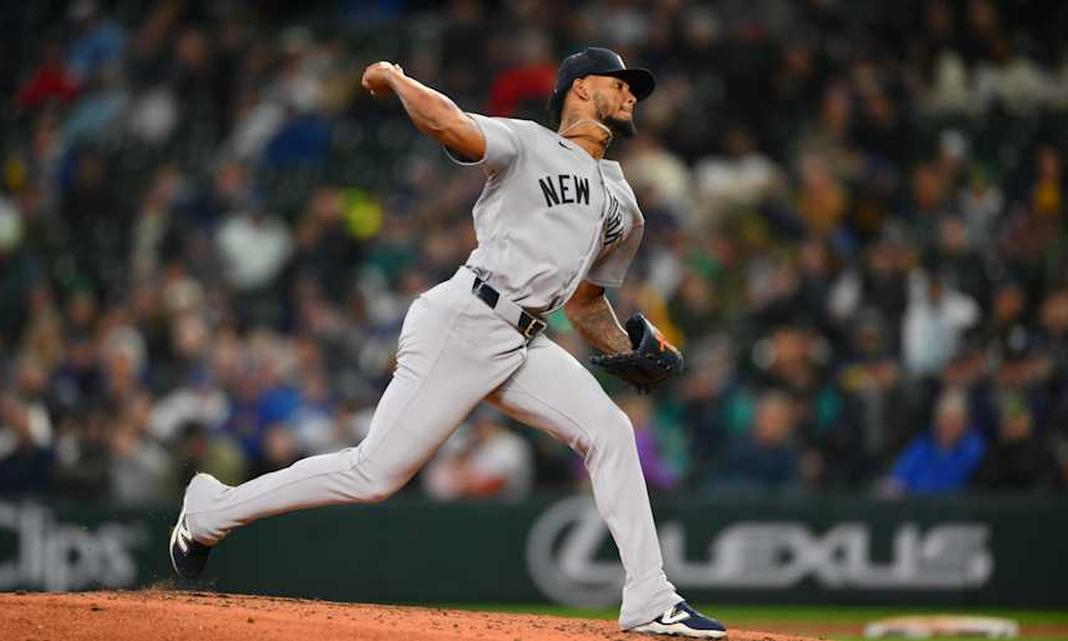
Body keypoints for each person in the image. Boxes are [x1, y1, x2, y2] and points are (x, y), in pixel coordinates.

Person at [168, 47, 725, 638]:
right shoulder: (529, 144)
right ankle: (210, 510)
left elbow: (586, 303)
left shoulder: (624, 203)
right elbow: (450, 124)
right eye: (621, 84)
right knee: (372, 475)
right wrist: (399, 79)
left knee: (611, 432)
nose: (633, 94)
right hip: (466, 319)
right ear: (582, 89)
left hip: (525, 340)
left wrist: (628, 346)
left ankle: (649, 599)